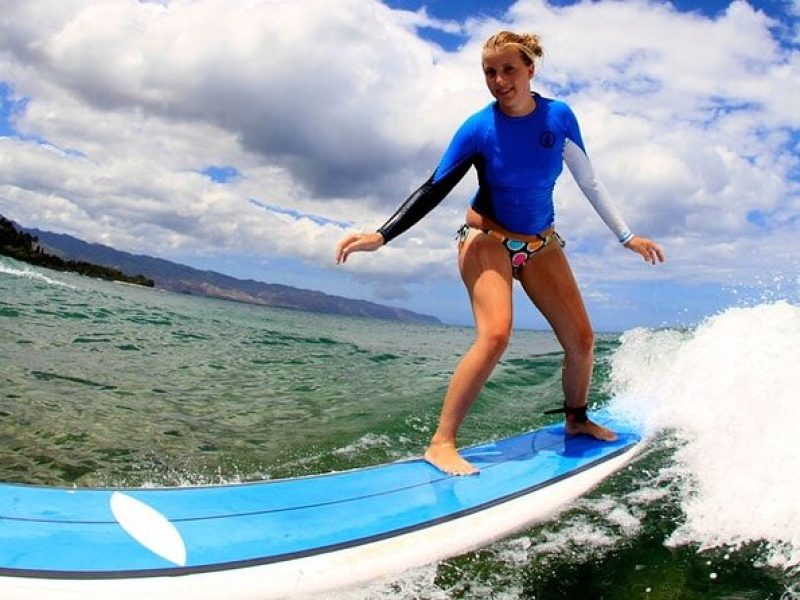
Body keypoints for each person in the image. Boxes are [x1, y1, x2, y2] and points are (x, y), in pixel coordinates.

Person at [335, 31, 664, 476]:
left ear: (530, 69)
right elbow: (435, 186)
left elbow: (589, 181)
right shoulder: (478, 128)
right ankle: (441, 442)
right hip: (485, 237)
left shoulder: (559, 118)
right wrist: (382, 235)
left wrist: (627, 236)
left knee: (582, 340)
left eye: (508, 69)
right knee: (495, 335)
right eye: (490, 72)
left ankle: (577, 420)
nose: (499, 79)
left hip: (540, 243)